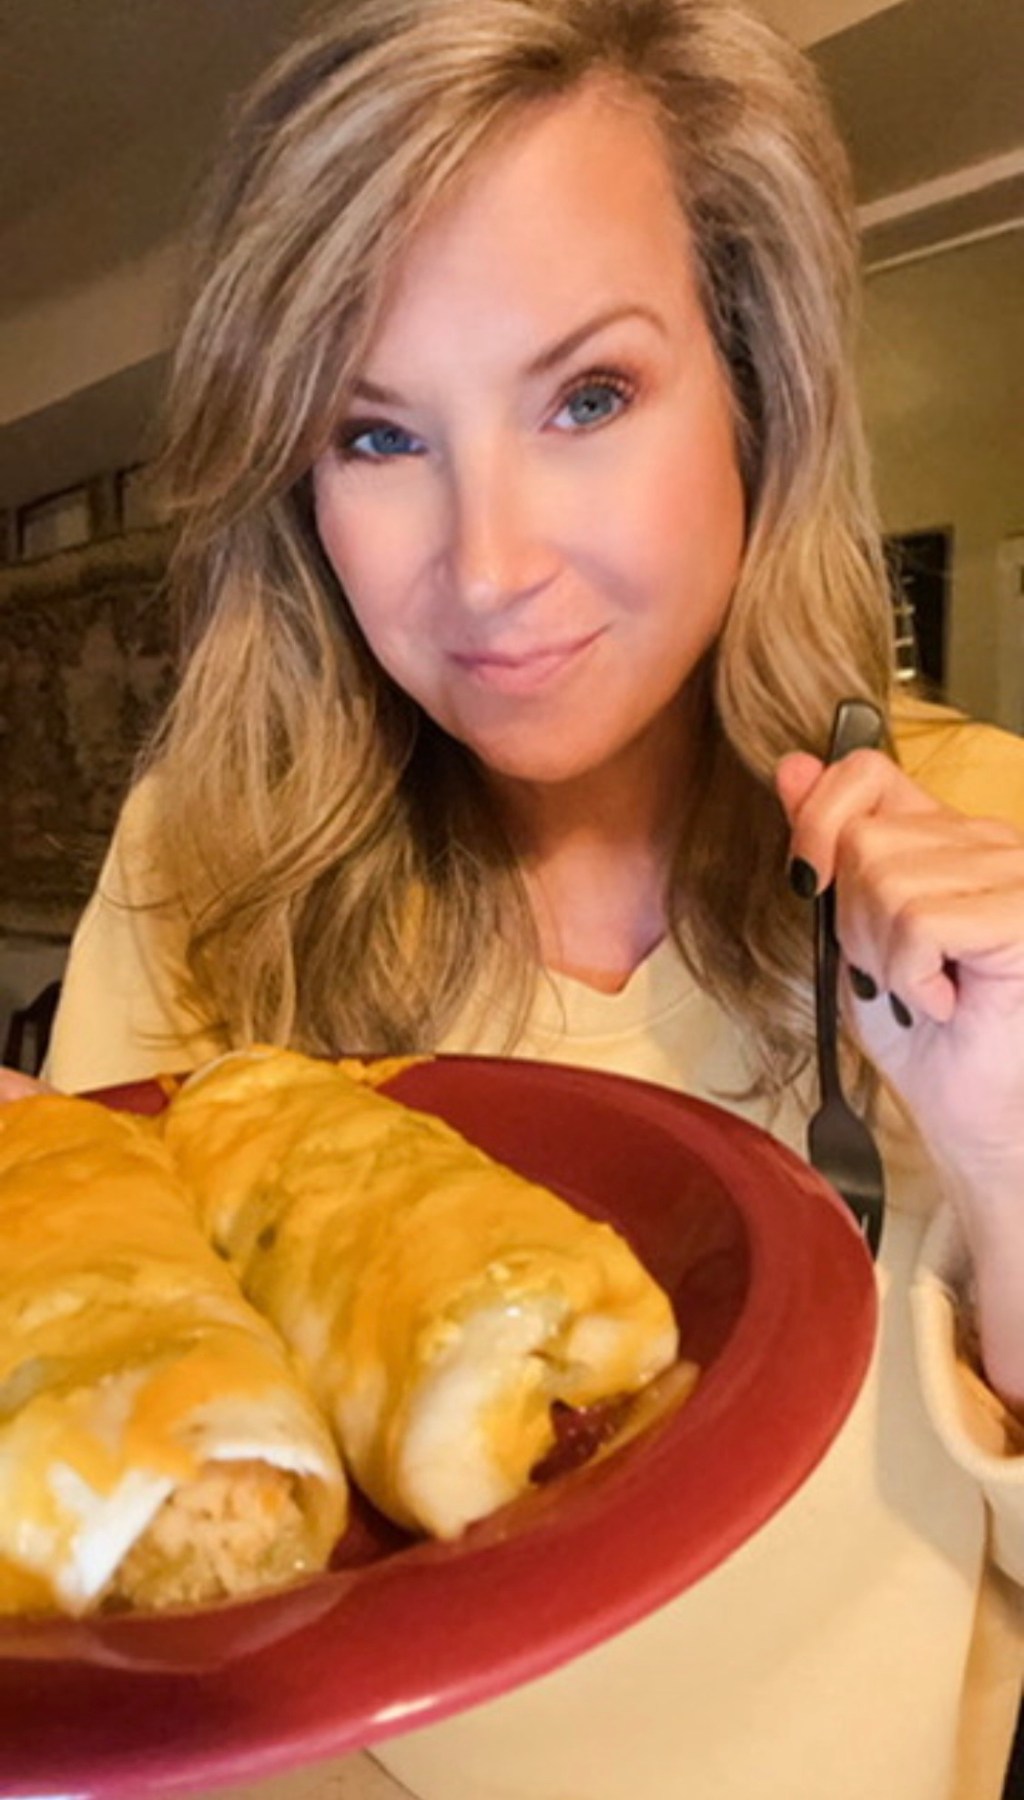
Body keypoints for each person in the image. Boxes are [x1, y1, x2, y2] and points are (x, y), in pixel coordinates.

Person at [4, 1, 1023, 1796]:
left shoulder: (992, 842)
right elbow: (116, 1568)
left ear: (759, 394)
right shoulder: (204, 855)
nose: (488, 568)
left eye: (589, 396)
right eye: (374, 437)